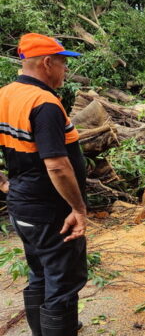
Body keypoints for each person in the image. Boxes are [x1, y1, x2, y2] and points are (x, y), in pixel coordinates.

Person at [0, 33, 88, 336]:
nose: (65, 71)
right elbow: (57, 165)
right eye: (63, 64)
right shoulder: (44, 103)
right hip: (52, 213)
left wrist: (4, 182)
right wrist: (78, 208)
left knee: (40, 274)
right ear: (47, 63)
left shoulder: (5, 94)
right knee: (63, 283)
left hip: (22, 207)